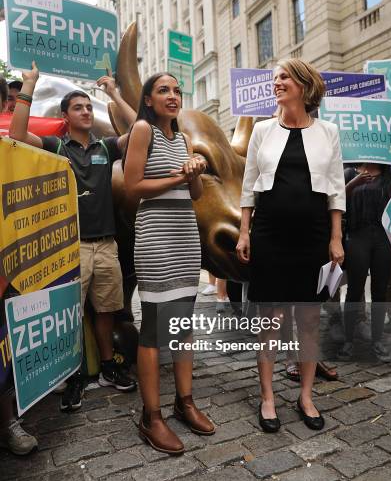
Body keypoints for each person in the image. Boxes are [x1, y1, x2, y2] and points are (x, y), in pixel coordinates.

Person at [8, 62, 137, 412]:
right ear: (65, 115)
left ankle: (109, 367)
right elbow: (17, 137)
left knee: (107, 310)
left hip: (107, 244)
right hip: (70, 248)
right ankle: (74, 375)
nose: (84, 111)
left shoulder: (107, 148)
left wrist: (112, 92)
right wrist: (29, 86)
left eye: (87, 106)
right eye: (77, 107)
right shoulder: (55, 146)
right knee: (71, 315)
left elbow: (142, 129)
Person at [237, 58, 345, 432]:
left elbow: (335, 188)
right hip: (269, 234)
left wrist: (335, 238)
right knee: (272, 318)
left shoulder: (328, 131)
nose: (277, 82)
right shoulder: (262, 130)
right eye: (275, 78)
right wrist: (244, 231)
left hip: (313, 235)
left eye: (284, 77)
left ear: (302, 85)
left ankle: (306, 395)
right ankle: (268, 397)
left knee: (310, 319)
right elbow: (249, 186)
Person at [123, 72, 215, 455]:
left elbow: (194, 193)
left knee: (183, 324)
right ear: (148, 99)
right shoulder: (143, 130)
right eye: (164, 90)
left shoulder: (183, 139)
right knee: (155, 330)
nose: (173, 96)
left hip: (185, 237)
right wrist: (179, 174)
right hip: (156, 235)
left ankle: (185, 401)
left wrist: (195, 171)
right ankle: (152, 416)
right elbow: (133, 185)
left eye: (177, 90)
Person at [0, 76, 38, 455]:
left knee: (5, 349)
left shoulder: (8, 141)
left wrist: (28, 86)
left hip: (5, 269)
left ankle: (9, 421)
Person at [337, 163, 391, 362]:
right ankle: (348, 342)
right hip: (357, 237)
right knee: (354, 291)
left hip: (383, 239)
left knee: (379, 291)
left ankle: (378, 342)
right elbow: (336, 201)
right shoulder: (348, 173)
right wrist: (354, 183)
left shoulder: (390, 175)